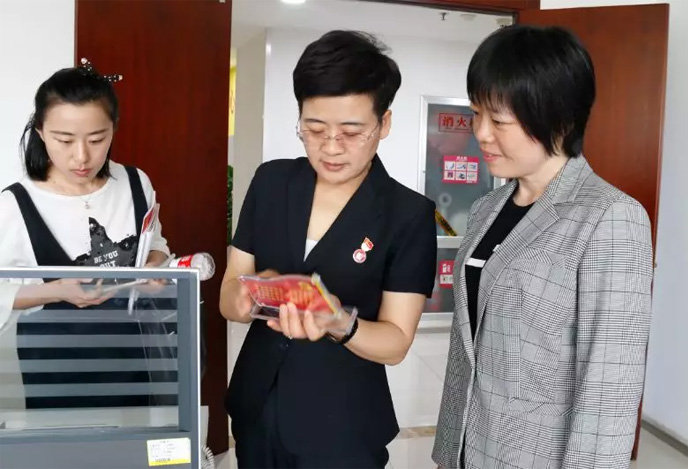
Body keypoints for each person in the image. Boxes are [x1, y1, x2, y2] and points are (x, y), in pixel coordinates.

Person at [432, 25, 654, 469]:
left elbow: (609, 390)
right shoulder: (487, 209)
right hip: (467, 451)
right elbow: (466, 350)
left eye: (499, 121)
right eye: (476, 114)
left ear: (559, 119)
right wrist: (447, 453)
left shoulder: (609, 217)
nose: (481, 133)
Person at [221, 30, 437, 468]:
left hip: (342, 427)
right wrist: (249, 295)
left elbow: (396, 342)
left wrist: (339, 321)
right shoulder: (271, 182)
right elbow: (229, 295)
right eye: (315, 129)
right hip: (257, 409)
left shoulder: (407, 214)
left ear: (384, 124)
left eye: (352, 132)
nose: (331, 147)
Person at [0, 59, 173, 408]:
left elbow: (154, 243)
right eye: (64, 140)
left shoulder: (135, 183)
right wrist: (55, 291)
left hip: (137, 364)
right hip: (57, 375)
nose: (81, 157)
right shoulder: (15, 204)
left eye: (97, 139)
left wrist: (155, 265)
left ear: (113, 129)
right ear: (40, 132)